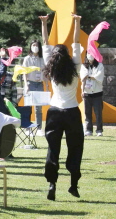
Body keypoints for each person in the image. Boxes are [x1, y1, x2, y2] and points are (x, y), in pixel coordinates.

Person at [41, 14, 85, 200]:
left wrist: (44, 23)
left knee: (53, 149)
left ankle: (52, 183)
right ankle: (73, 184)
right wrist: (77, 22)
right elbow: (76, 42)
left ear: (53, 57)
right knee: (75, 148)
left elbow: (45, 42)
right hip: (72, 111)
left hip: (54, 112)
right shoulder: (75, 66)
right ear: (68, 55)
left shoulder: (50, 68)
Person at [22, 37, 47, 136]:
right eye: (33, 45)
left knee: (38, 108)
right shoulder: (27, 58)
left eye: (37, 45)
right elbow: (24, 72)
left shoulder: (42, 59)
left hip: (39, 83)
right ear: (30, 47)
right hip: (30, 83)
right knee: (28, 107)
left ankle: (39, 127)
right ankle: (28, 128)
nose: (35, 47)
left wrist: (47, 85)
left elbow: (45, 73)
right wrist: (26, 84)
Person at [80, 51, 105, 136]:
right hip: (87, 92)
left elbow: (99, 76)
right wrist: (82, 91)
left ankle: (99, 130)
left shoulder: (100, 65)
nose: (90, 55)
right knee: (87, 112)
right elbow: (83, 78)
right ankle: (88, 129)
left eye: (92, 54)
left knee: (98, 112)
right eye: (88, 54)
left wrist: (90, 76)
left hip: (97, 92)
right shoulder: (84, 66)